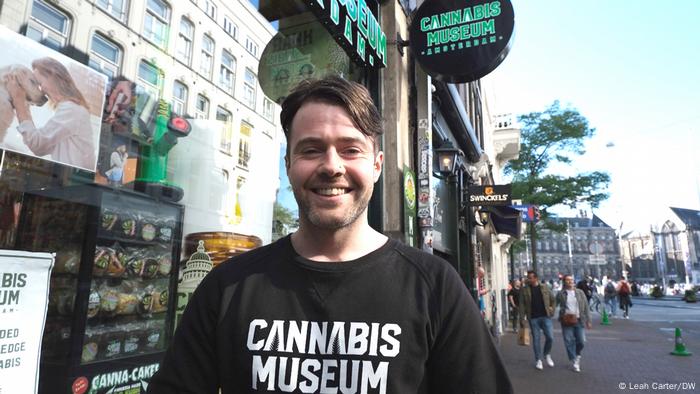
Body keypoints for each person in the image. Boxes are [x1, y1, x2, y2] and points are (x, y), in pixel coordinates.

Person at [148, 76, 513, 393]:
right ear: (288, 163)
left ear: (376, 165)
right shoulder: (227, 286)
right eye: (311, 149)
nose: (332, 166)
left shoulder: (435, 288)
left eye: (351, 149)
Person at [6, 57, 95, 169]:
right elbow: (42, 149)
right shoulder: (72, 109)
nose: (41, 90)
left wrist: (18, 100)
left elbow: (37, 144)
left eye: (40, 83)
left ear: (53, 77)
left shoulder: (72, 109)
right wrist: (24, 103)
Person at [519, 270, 556, 370]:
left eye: (530, 278)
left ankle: (547, 354)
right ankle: (538, 360)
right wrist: (522, 319)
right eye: (528, 278)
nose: (529, 279)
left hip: (545, 316)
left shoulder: (544, 287)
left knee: (550, 337)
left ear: (536, 278)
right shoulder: (524, 290)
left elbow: (553, 299)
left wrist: (552, 309)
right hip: (533, 317)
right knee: (536, 339)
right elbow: (522, 305)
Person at [556, 274, 592, 372]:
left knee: (581, 341)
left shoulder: (580, 292)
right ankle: (574, 359)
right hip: (566, 320)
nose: (570, 281)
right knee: (568, 340)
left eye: (571, 279)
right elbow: (555, 303)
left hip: (579, 320)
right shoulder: (561, 293)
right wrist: (550, 310)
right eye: (567, 280)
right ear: (564, 282)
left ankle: (577, 355)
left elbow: (586, 307)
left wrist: (589, 320)